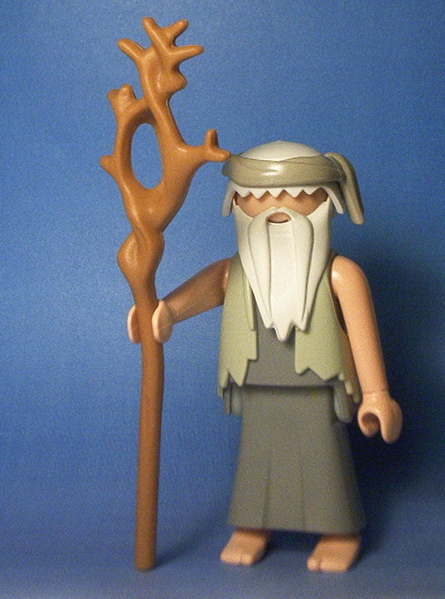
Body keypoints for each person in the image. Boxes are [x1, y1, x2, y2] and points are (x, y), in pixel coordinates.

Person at [128, 141, 402, 572]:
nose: (276, 210)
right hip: (255, 383)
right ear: (236, 204)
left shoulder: (341, 274)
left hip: (318, 386)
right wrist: (165, 312)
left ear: (326, 201)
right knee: (257, 458)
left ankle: (338, 531)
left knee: (322, 457)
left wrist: (376, 395)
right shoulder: (233, 272)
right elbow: (204, 290)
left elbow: (363, 333)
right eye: (256, 198)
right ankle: (253, 525)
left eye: (296, 197)